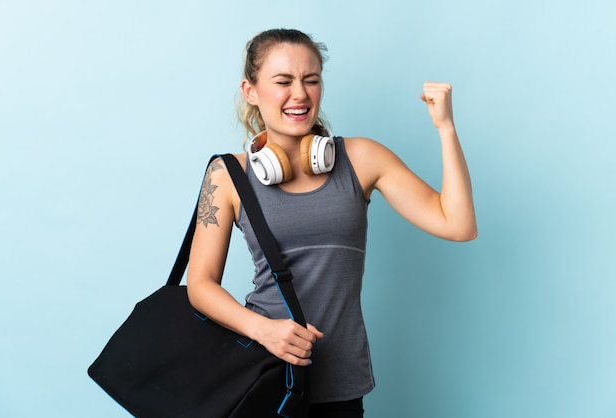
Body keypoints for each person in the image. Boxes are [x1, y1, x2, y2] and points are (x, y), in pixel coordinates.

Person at [187, 28, 477, 418]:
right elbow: (200, 284)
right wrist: (264, 330)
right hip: (262, 376)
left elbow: (458, 225)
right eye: (283, 81)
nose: (300, 94)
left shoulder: (362, 158)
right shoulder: (228, 175)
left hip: (341, 382)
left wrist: (446, 128)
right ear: (251, 90)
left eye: (311, 80)